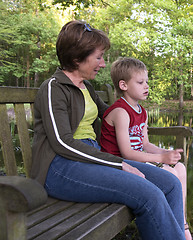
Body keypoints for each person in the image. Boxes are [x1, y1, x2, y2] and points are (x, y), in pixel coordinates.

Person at [30, 20, 185, 240]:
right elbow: (62, 142)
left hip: (93, 159)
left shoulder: (86, 87)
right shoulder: (53, 88)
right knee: (148, 193)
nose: (103, 64)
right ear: (77, 57)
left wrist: (137, 114)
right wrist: (118, 162)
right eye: (99, 57)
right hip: (60, 168)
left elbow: (112, 114)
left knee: (169, 183)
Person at [100, 57, 193, 240]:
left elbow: (144, 144)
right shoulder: (120, 112)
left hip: (137, 160)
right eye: (140, 82)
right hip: (120, 165)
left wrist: (164, 153)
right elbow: (127, 152)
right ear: (124, 85)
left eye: (147, 82)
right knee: (170, 175)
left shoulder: (141, 112)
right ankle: (178, 232)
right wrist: (160, 160)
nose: (146, 86)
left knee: (180, 168)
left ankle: (182, 226)